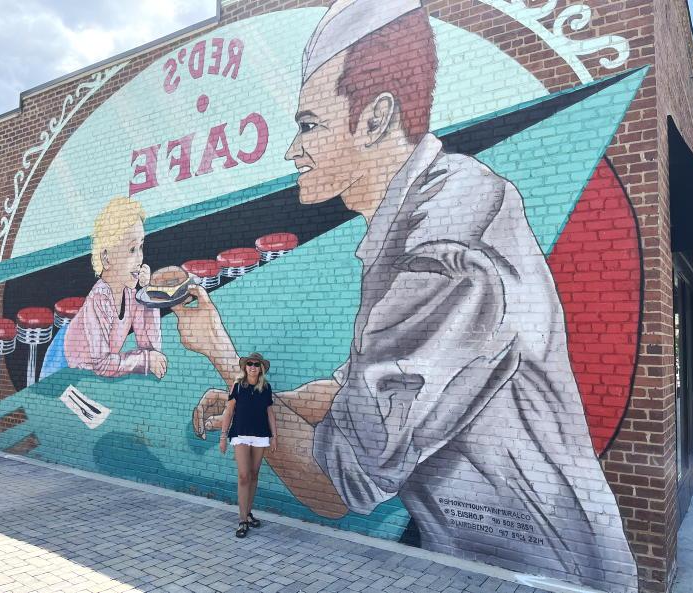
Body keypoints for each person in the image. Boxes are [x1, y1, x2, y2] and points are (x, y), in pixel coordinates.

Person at [175, 1, 638, 591]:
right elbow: (350, 394)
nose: (293, 149)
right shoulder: (418, 216)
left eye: (310, 125)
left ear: (375, 119)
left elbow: (335, 482)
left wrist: (223, 358)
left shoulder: (445, 246)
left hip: (547, 577)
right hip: (476, 567)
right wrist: (269, 402)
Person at [41, 197, 167, 380]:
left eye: (141, 247)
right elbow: (102, 364)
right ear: (106, 258)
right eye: (132, 249)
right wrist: (145, 361)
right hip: (63, 364)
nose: (140, 258)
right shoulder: (99, 298)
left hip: (88, 370)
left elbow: (150, 347)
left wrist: (147, 293)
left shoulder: (131, 293)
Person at [213, 353, 278, 538]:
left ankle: (248, 513)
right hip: (240, 435)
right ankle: (242, 520)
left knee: (254, 474)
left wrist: (274, 436)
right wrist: (223, 436)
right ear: (245, 367)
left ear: (260, 369)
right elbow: (228, 412)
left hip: (260, 436)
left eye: (256, 364)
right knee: (243, 476)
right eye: (249, 364)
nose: (252, 367)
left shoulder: (265, 387)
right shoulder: (238, 386)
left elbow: (270, 413)